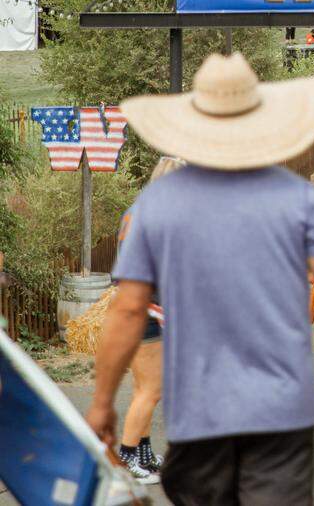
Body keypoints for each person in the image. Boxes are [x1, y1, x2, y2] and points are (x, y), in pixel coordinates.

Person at [88, 53, 314, 504]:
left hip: (199, 408)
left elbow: (129, 309)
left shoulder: (159, 206)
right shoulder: (297, 200)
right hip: (283, 409)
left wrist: (101, 402)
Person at [116, 155, 185, 484]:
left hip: (131, 303)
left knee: (144, 387)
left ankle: (141, 452)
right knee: (151, 391)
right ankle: (125, 457)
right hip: (148, 306)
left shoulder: (136, 210)